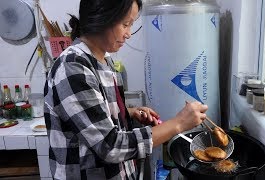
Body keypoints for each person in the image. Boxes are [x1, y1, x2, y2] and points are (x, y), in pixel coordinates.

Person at [44, 0, 208, 179]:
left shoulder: (105, 61)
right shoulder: (72, 67)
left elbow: (93, 117)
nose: (129, 34)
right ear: (101, 17)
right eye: (125, 24)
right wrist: (179, 123)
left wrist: (128, 113)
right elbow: (110, 146)